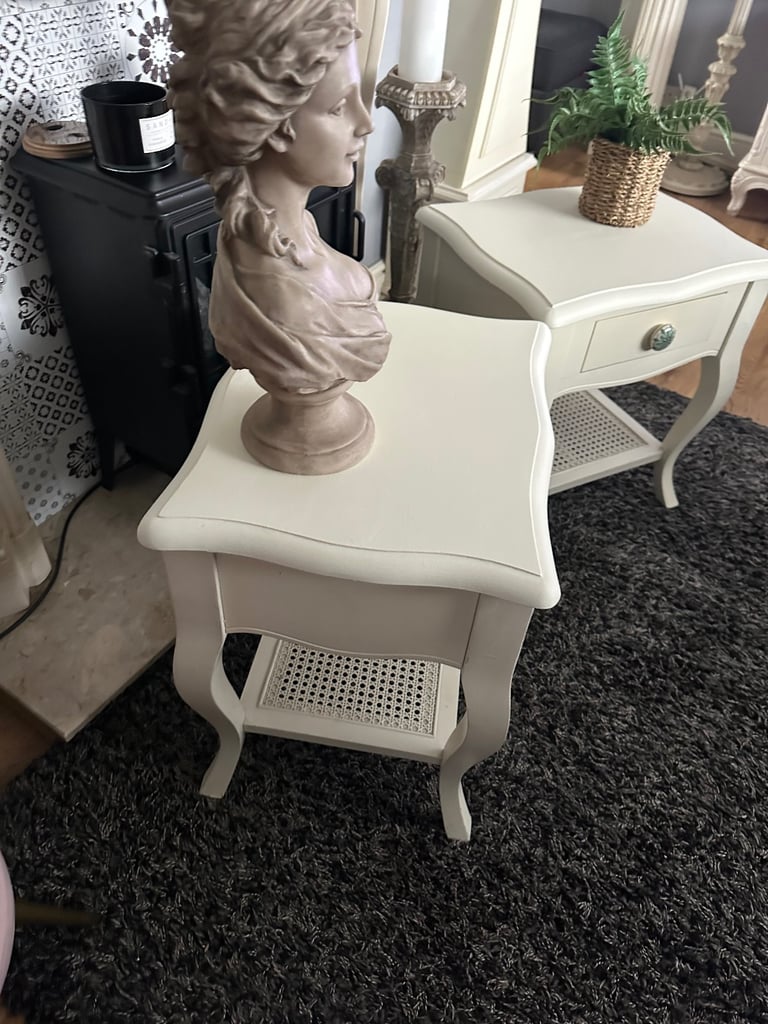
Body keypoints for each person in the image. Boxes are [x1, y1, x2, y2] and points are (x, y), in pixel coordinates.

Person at [166, 0, 391, 397]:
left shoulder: (294, 227)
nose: (366, 123)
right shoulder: (277, 297)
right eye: (339, 107)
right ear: (274, 125)